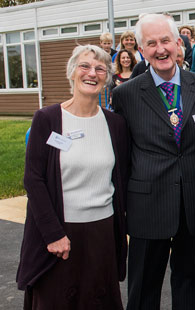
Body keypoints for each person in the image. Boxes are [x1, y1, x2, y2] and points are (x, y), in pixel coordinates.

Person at [112, 13, 195, 309]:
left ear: (177, 43)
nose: (160, 49)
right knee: (144, 288)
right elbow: (121, 156)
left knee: (194, 287)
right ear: (142, 50)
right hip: (148, 207)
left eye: (165, 41)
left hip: (194, 206)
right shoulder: (125, 94)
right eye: (151, 43)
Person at [18, 45, 128, 309]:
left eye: (100, 68)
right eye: (85, 66)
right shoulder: (47, 118)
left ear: (107, 78)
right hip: (60, 235)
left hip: (102, 233)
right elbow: (34, 180)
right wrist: (53, 234)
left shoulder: (115, 124)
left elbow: (121, 177)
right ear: (72, 73)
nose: (92, 73)